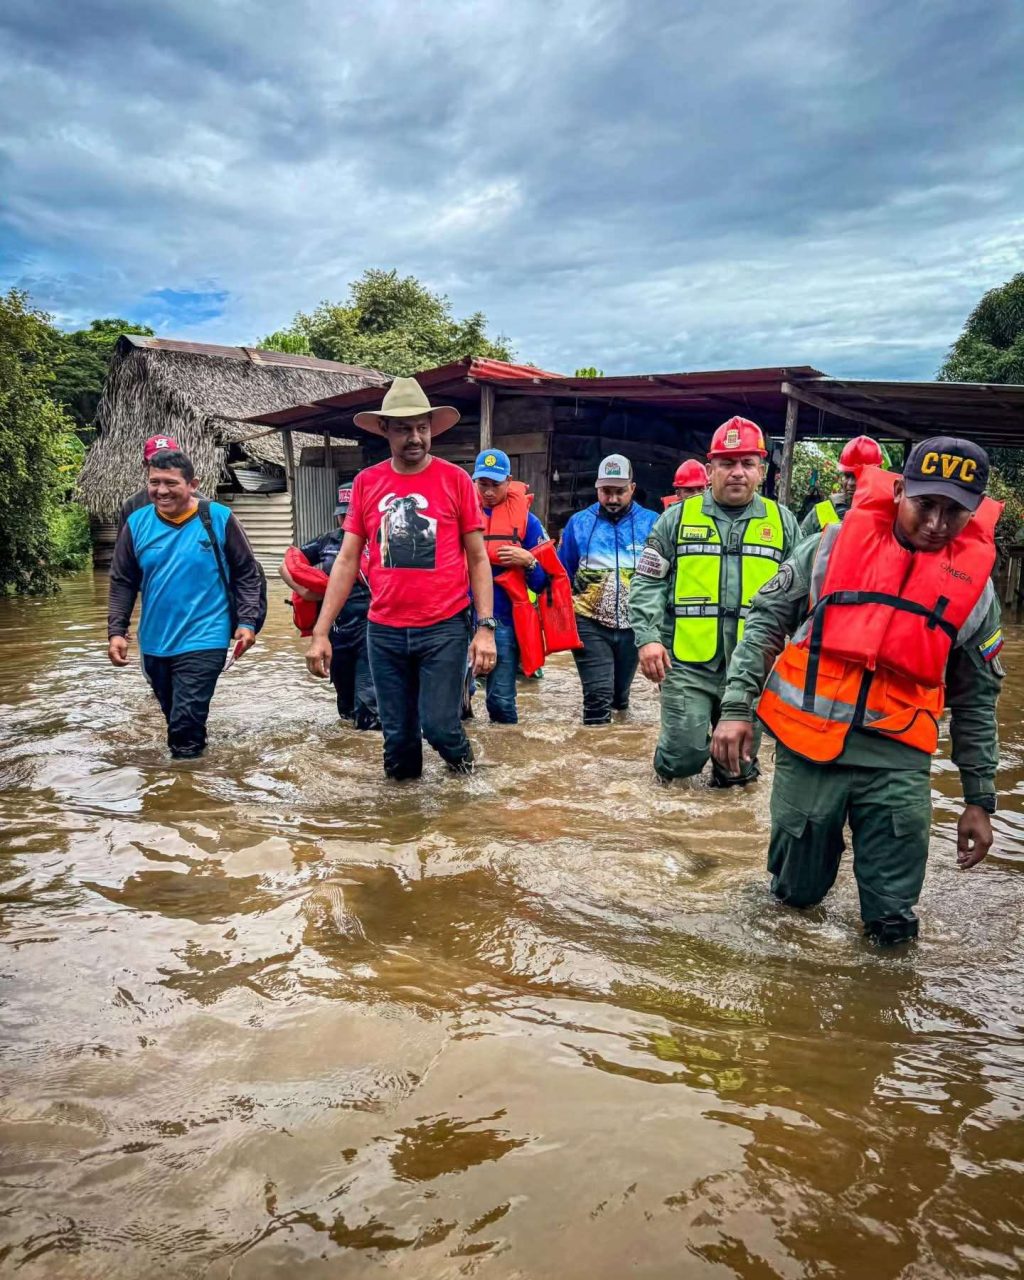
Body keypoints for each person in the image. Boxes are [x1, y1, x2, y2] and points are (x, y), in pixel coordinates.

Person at [712, 437, 1003, 943]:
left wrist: (979, 799)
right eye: (925, 505)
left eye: (954, 512)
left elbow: (976, 699)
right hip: (807, 750)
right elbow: (764, 624)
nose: (936, 524)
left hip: (897, 761)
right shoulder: (827, 547)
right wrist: (736, 708)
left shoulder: (976, 591)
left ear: (974, 512)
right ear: (900, 491)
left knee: (893, 921)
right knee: (792, 902)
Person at [305, 377, 496, 779]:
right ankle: (403, 815)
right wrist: (321, 632)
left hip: (443, 627)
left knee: (440, 727)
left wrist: (485, 628)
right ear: (384, 429)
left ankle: (470, 785)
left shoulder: (456, 480)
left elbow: (479, 559)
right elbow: (347, 560)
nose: (415, 438)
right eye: (404, 429)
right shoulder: (367, 483)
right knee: (398, 741)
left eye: (422, 428)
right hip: (384, 631)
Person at [630, 416, 801, 785]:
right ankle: (665, 795)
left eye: (747, 463)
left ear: (761, 471)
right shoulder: (675, 519)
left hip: (752, 668)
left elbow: (803, 597)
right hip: (686, 664)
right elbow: (646, 580)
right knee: (682, 757)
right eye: (727, 463)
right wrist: (648, 639)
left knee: (737, 771)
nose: (737, 472)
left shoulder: (784, 523)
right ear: (710, 471)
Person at [107, 448, 264, 758]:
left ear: (193, 485)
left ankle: (185, 782)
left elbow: (247, 573)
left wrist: (247, 621)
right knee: (176, 718)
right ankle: (199, 762)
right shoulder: (136, 523)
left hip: (206, 636)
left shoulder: (218, 518)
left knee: (184, 729)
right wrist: (116, 631)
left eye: (170, 483)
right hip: (155, 641)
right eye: (154, 482)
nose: (161, 491)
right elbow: (122, 580)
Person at [557, 454, 658, 724]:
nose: (612, 499)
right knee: (597, 697)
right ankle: (591, 746)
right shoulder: (579, 523)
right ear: (597, 489)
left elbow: (662, 578)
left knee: (619, 698)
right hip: (588, 621)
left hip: (635, 624)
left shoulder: (652, 523)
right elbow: (563, 572)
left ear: (632, 489)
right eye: (606, 491)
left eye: (619, 492)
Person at [280, 484, 379, 730]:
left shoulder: (381, 540)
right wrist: (303, 590)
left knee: (368, 703)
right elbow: (286, 564)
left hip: (372, 630)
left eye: (352, 514)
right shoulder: (327, 541)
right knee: (345, 707)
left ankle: (369, 746)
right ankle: (349, 749)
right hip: (337, 631)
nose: (347, 520)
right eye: (343, 515)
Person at [472, 449, 550, 723]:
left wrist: (529, 561)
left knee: (501, 702)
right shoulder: (459, 514)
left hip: (504, 622)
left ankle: (507, 745)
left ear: (509, 481)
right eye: (483, 484)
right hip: (459, 620)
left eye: (495, 484)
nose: (488, 492)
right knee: (454, 702)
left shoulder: (529, 523)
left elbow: (543, 583)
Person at [799, 435, 884, 536]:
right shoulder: (825, 510)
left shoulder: (888, 512)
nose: (850, 483)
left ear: (877, 475)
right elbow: (802, 544)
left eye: (858, 476)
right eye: (847, 476)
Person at [117, 435, 204, 530]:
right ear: (145, 465)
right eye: (154, 461)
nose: (162, 465)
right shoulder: (132, 505)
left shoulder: (204, 507)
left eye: (170, 460)